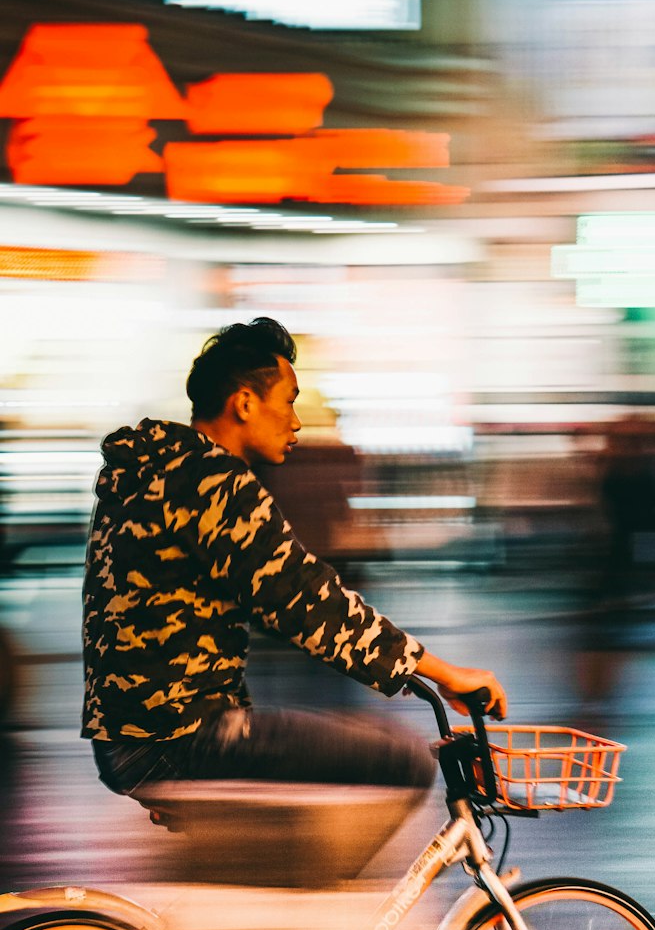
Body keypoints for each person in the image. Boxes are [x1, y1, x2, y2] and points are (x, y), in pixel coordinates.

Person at [83, 317, 506, 799]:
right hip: (177, 737)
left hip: (137, 735)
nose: (297, 420)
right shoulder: (210, 481)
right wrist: (443, 671)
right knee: (401, 757)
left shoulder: (151, 470)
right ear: (245, 403)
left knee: (339, 769)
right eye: (288, 400)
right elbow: (301, 596)